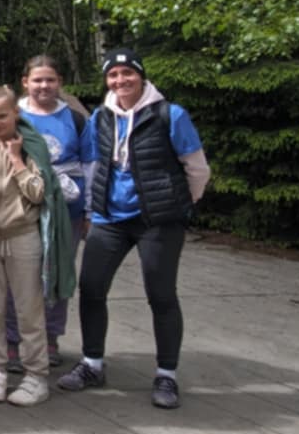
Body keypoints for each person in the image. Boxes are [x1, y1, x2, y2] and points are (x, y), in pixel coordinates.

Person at [58, 49, 210, 409]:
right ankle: (92, 363)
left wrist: (178, 204)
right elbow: (93, 163)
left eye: (127, 73)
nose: (120, 80)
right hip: (110, 218)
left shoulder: (169, 115)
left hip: (157, 220)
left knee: (161, 295)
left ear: (141, 76)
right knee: (92, 288)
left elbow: (197, 168)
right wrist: (93, 208)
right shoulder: (101, 116)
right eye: (113, 75)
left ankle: (166, 375)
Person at [0, 86, 75, 408]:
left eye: (2, 116)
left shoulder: (31, 146)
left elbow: (39, 193)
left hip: (22, 233)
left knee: (29, 308)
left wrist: (16, 159)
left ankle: (36, 374)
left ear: (16, 113)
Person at [14, 56, 91, 367]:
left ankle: (50, 337)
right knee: (18, 275)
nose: (43, 86)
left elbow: (91, 164)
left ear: (60, 82)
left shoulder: (75, 119)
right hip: (23, 206)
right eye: (37, 80)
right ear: (25, 82)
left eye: (50, 80)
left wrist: (89, 211)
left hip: (67, 209)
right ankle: (13, 339)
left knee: (58, 272)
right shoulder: (14, 115)